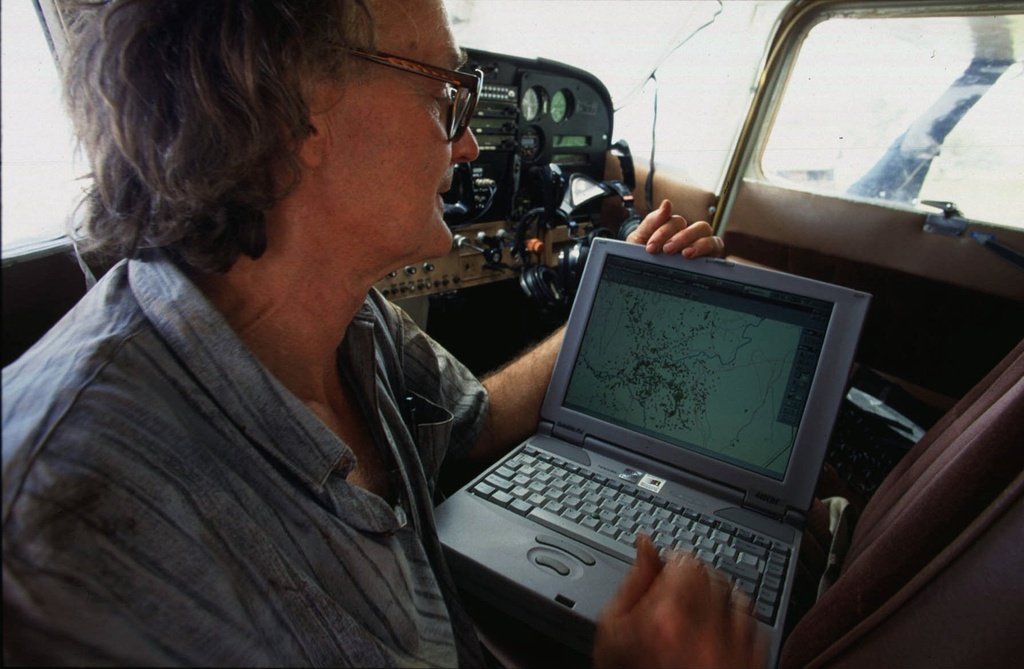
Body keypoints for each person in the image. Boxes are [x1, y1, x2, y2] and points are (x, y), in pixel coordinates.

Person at [2, 0, 761, 667]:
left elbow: (472, 422)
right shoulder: (64, 514)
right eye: (444, 95)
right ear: (295, 111)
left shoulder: (350, 318)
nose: (464, 146)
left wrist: (620, 303)